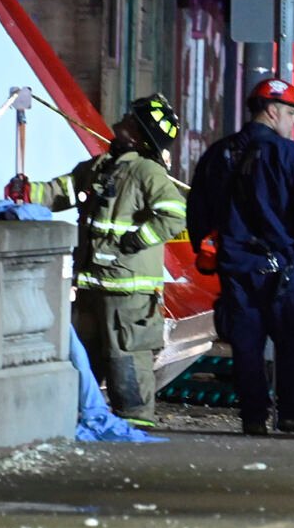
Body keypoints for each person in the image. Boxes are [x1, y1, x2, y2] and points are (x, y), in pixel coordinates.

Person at [187, 78, 294, 438]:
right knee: (293, 339)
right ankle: (293, 414)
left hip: (236, 266)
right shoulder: (291, 156)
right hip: (283, 265)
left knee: (246, 343)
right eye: (291, 113)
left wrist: (210, 248)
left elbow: (197, 212)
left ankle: (254, 417)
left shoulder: (217, 154)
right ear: (272, 111)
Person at [35, 94, 187, 425]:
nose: (123, 120)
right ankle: (79, 414)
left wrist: (134, 241)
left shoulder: (147, 172)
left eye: (132, 119)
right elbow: (61, 191)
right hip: (92, 282)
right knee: (83, 353)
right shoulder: (100, 167)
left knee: (126, 355)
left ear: (140, 134)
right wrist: (25, 193)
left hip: (128, 288)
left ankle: (134, 419)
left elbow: (175, 215)